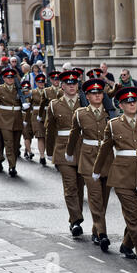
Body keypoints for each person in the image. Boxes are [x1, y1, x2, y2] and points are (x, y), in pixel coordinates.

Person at [92, 87, 137, 267]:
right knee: (132, 214)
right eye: (128, 102)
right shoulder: (113, 124)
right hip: (121, 175)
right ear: (121, 105)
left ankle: (126, 245)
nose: (132, 104)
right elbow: (104, 149)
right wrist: (96, 169)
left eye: (134, 101)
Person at [65, 78, 113, 252]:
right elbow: (74, 134)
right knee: (95, 197)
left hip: (107, 160)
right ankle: (102, 234)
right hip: (88, 160)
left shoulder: (111, 113)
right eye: (93, 93)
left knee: (104, 198)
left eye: (100, 92)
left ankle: (95, 228)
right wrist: (69, 152)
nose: (97, 95)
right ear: (87, 95)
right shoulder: (80, 113)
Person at [45, 71, 85, 237]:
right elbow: (50, 130)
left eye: (74, 83)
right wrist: (49, 151)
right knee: (70, 186)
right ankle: (76, 221)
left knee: (80, 186)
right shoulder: (54, 105)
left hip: (83, 149)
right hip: (63, 150)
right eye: (68, 83)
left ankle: (74, 217)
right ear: (62, 86)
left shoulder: (85, 102)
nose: (71, 86)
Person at [0, 68, 28, 177]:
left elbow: (26, 102)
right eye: (8, 78)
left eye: (12, 77)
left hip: (17, 118)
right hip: (4, 119)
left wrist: (26, 107)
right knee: (8, 143)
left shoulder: (19, 89)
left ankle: (11, 163)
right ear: (3, 78)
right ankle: (12, 166)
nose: (10, 79)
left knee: (15, 144)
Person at [25, 74, 48, 166]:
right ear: (36, 83)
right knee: (40, 136)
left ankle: (47, 153)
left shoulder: (48, 91)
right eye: (39, 82)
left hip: (47, 115)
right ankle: (42, 156)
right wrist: (26, 119)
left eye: (42, 82)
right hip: (36, 116)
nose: (41, 84)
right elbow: (28, 106)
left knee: (47, 136)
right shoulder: (32, 92)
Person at [21, 81, 35, 161]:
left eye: (28, 89)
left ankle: (26, 151)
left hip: (30, 117)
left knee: (30, 136)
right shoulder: (19, 97)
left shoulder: (32, 96)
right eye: (24, 90)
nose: (26, 91)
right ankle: (30, 152)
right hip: (22, 117)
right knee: (26, 135)